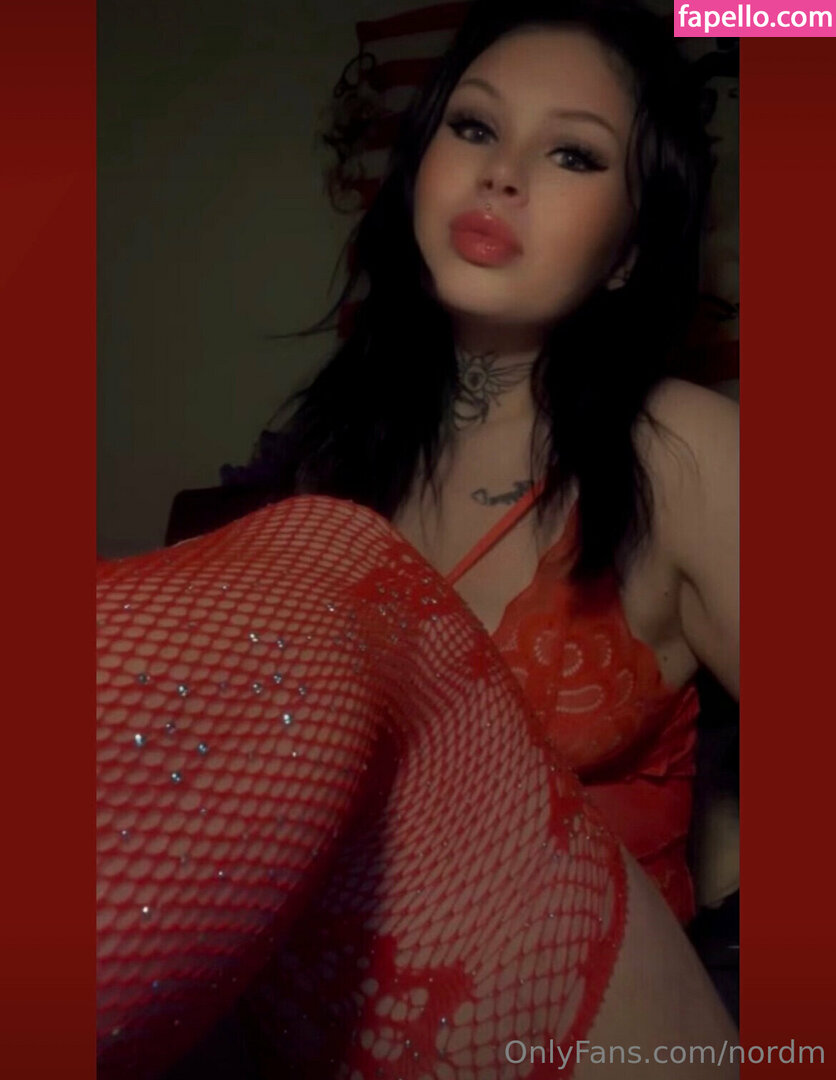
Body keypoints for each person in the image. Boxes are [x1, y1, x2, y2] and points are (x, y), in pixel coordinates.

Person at [97, 0, 739, 1076]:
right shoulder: (339, 457)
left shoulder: (680, 447)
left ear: (628, 251)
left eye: (572, 154)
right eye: (474, 127)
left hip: (592, 1010)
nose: (501, 175)